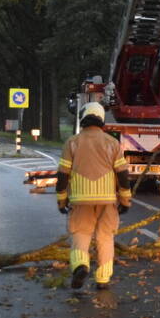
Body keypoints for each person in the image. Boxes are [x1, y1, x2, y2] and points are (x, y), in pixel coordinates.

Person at [55, 102, 131, 290]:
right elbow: (122, 175)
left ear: (83, 118)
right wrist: (125, 200)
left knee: (80, 234)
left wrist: (61, 200)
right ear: (101, 119)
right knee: (105, 237)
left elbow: (63, 175)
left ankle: (81, 265)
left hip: (80, 200)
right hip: (107, 200)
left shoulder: (72, 142)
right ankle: (103, 278)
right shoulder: (112, 143)